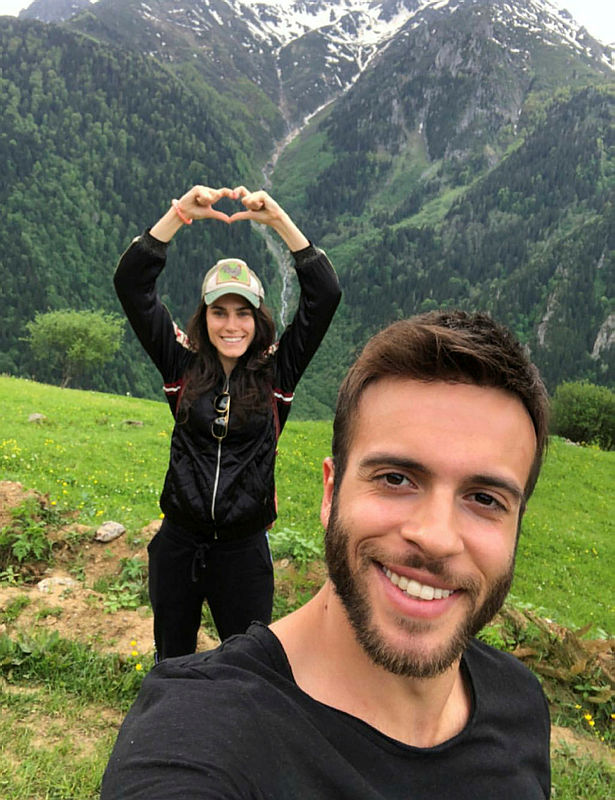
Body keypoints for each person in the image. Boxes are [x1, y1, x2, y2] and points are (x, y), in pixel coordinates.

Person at [101, 310, 551, 799]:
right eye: (396, 478)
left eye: (485, 499)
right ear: (331, 494)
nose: (437, 538)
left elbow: (320, 298)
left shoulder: (522, 704)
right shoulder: (196, 732)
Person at [113, 184, 341, 658]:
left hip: (243, 552)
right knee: (172, 658)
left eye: (243, 313)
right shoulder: (180, 364)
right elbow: (132, 284)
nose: (231, 325)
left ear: (258, 320)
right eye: (219, 312)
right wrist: (180, 213)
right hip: (178, 544)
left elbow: (324, 295)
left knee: (245, 665)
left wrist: (278, 221)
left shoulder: (278, 373)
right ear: (205, 316)